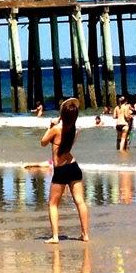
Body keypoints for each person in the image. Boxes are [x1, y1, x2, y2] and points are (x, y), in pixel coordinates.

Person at [37, 98, 89, 242]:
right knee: (80, 202)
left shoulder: (56, 129)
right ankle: (85, 234)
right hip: (73, 166)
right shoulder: (75, 129)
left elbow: (43, 142)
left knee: (53, 204)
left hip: (60, 170)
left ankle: (55, 236)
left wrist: (50, 126)